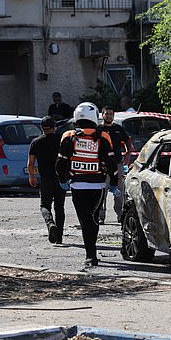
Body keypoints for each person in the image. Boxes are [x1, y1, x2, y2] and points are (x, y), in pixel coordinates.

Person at [56, 102, 120, 268]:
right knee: (93, 219)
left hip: (77, 187)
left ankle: (90, 255)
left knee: (85, 221)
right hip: (98, 187)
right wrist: (113, 183)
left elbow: (60, 164)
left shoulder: (68, 136)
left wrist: (63, 181)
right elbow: (112, 164)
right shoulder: (103, 136)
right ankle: (91, 254)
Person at [27, 116, 66, 244]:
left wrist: (32, 176)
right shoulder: (61, 140)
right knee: (59, 207)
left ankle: (50, 223)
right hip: (61, 178)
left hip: (45, 179)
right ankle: (59, 237)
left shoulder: (36, 142)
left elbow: (30, 163)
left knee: (45, 205)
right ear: (55, 127)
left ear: (41, 128)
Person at [98, 105, 134, 224]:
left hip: (118, 164)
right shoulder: (98, 130)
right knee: (101, 191)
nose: (109, 116)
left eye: (111, 114)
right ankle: (100, 216)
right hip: (103, 166)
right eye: (106, 114)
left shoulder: (118, 129)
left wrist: (128, 154)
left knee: (120, 191)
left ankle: (120, 215)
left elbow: (128, 140)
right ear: (102, 115)